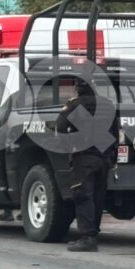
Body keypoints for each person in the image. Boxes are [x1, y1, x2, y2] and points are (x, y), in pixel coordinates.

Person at [56, 73, 120, 252]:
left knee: (83, 196)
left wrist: (69, 149)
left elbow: (60, 128)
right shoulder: (107, 106)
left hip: (83, 158)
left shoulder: (74, 105)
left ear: (78, 88)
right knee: (98, 197)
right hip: (104, 158)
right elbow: (115, 132)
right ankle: (93, 233)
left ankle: (88, 237)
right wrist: (112, 158)